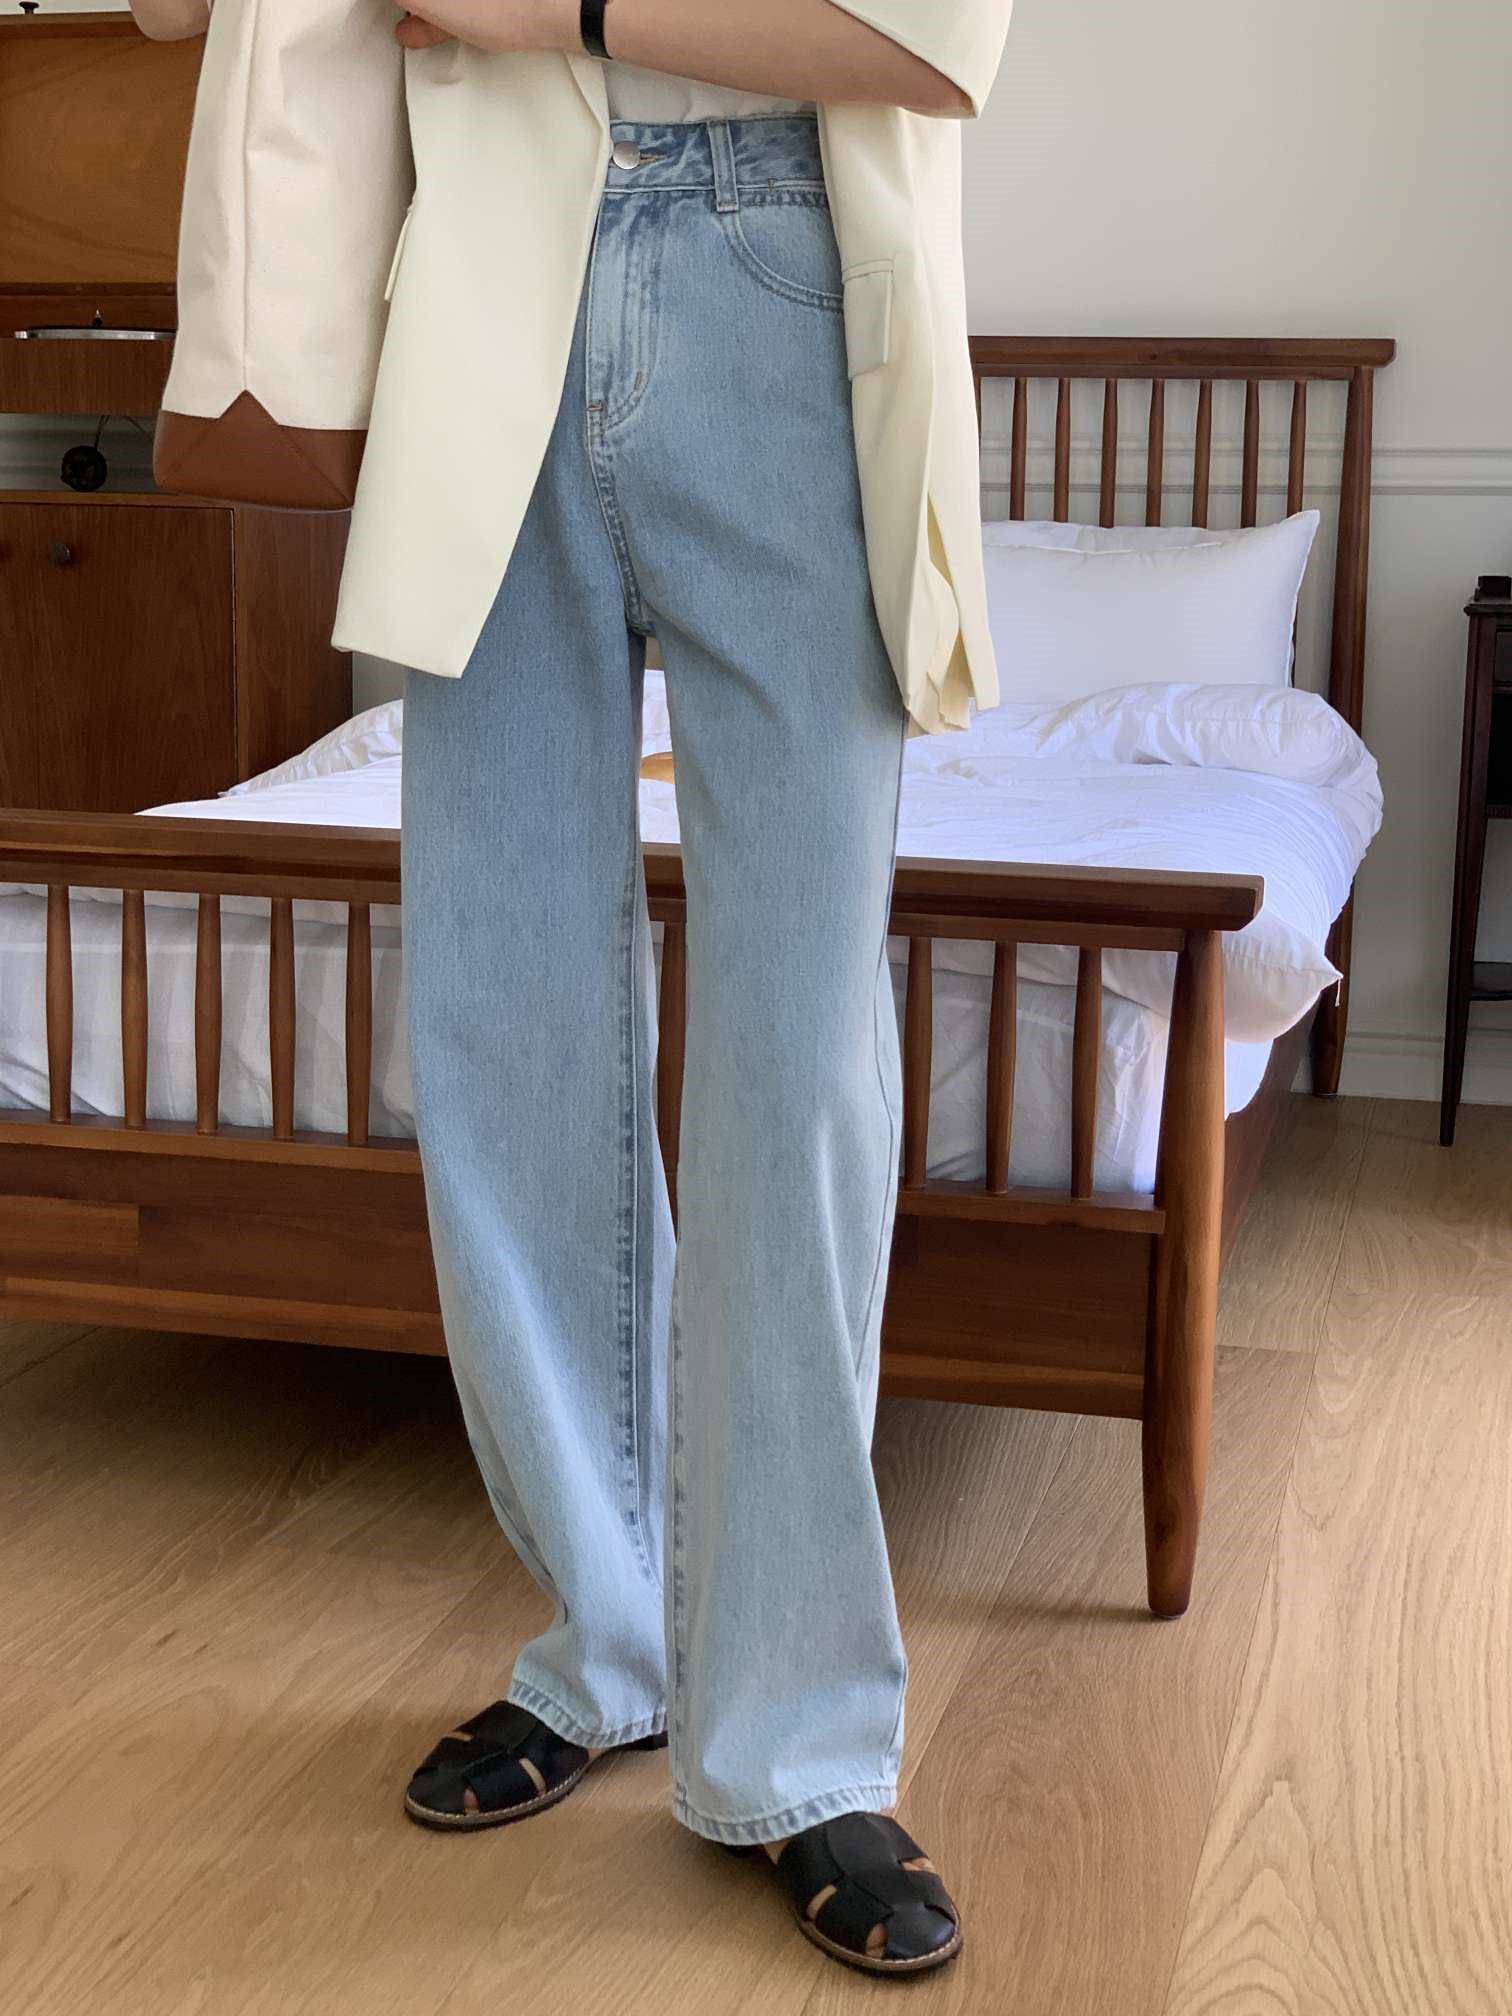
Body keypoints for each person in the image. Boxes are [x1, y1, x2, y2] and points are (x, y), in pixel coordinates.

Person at [131, 0, 1013, 1977]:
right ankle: (604, 1639)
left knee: (797, 1060)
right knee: (502, 1015)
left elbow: (939, 39)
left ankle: (793, 1736)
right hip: (477, 282)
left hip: (783, 273)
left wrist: (561, 12)